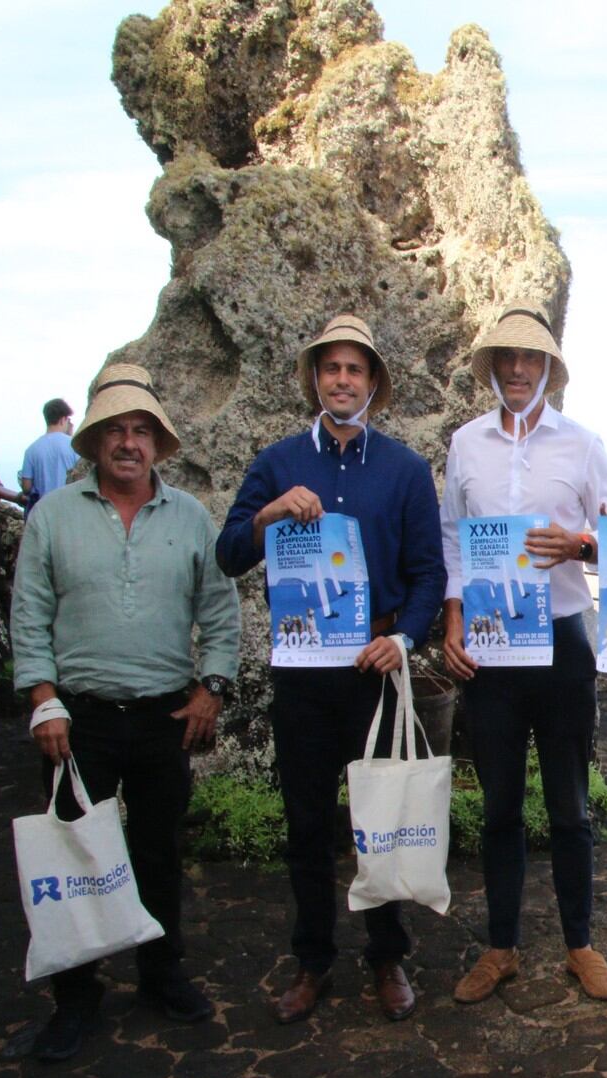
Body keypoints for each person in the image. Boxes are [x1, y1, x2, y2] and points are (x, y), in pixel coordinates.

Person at [217, 315, 445, 1024]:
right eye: (330, 368)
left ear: (373, 382)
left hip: (374, 666)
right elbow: (228, 553)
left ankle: (387, 955)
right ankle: (313, 959)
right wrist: (267, 518)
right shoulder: (279, 462)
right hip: (303, 670)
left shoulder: (405, 469)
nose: (342, 380)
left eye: (355, 369)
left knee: (381, 819)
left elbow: (428, 574)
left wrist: (404, 639)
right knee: (307, 821)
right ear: (314, 378)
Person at [10, 363, 240, 1061]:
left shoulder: (191, 518)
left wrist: (212, 688)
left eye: (141, 430)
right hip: (78, 720)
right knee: (77, 858)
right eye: (116, 430)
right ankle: (76, 998)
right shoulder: (52, 516)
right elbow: (31, 615)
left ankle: (160, 973)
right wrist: (43, 698)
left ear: (157, 444)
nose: (129, 442)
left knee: (157, 852)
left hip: (166, 715)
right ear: (93, 442)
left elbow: (220, 612)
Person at [440, 302, 607, 1006]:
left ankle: (580, 944)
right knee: (500, 807)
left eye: (531, 359)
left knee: (572, 807)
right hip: (489, 647)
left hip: (563, 641)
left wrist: (577, 543)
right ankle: (501, 947)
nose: (518, 370)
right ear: (492, 368)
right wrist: (453, 622)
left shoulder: (582, 444)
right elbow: (454, 540)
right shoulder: (466, 444)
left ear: (549, 368)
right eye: (506, 359)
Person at [19, 398, 79, 514]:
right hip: (69, 510)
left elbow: (26, 487)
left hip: (43, 512)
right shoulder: (74, 446)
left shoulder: (32, 449)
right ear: (63, 419)